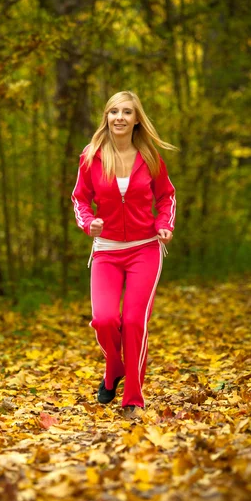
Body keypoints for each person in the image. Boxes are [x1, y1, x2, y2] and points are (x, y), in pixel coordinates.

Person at [71, 90, 176, 417]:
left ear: (136, 119)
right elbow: (79, 199)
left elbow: (167, 197)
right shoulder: (91, 156)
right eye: (114, 111)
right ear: (107, 117)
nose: (119, 117)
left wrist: (164, 225)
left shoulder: (150, 156)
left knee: (133, 321)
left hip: (145, 249)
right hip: (106, 251)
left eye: (126, 112)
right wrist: (90, 224)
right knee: (104, 320)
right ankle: (114, 367)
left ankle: (133, 398)